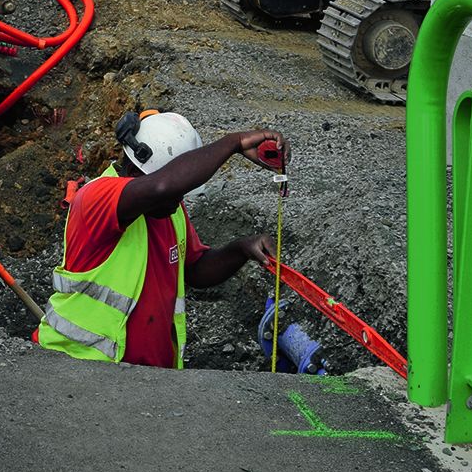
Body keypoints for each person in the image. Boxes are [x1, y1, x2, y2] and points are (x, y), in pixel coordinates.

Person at [38, 110, 287, 368]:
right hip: (78, 368)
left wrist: (242, 249)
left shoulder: (169, 208)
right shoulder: (96, 197)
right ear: (137, 170)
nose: (179, 200)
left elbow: (195, 269)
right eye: (176, 192)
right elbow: (163, 187)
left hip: (151, 381)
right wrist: (233, 143)